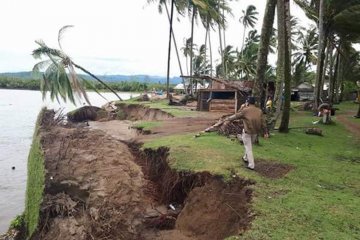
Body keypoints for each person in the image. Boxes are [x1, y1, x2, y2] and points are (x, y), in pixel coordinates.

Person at [224, 96, 269, 170]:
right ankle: (245, 158)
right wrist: (266, 132)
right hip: (255, 132)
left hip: (247, 132)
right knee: (248, 146)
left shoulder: (245, 110)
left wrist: (227, 119)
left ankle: (251, 165)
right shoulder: (259, 111)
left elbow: (236, 116)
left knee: (248, 148)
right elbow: (263, 123)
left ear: (247, 102)